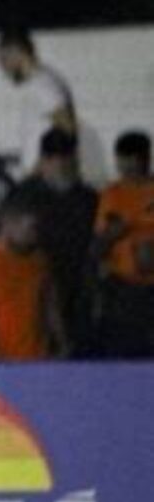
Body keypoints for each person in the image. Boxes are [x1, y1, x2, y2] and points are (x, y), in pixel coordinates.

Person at [5, 128, 97, 354]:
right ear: (44, 161)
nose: (64, 167)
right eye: (57, 160)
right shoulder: (23, 196)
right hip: (33, 289)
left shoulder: (87, 198)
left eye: (68, 161)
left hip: (78, 290)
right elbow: (4, 244)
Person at [0, 198, 64, 362]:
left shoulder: (38, 261)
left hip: (41, 361)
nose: (34, 236)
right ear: (8, 225)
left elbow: (49, 303)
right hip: (4, 362)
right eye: (30, 229)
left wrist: (62, 342)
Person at [93, 131, 154, 358]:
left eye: (132, 163)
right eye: (122, 163)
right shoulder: (112, 194)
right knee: (125, 350)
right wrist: (118, 231)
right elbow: (98, 245)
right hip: (125, 291)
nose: (126, 170)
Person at [0, 29, 77, 173]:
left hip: (45, 179)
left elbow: (67, 130)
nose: (2, 67)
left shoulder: (42, 85)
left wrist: (38, 171)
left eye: (3, 59)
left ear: (18, 54)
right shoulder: (37, 83)